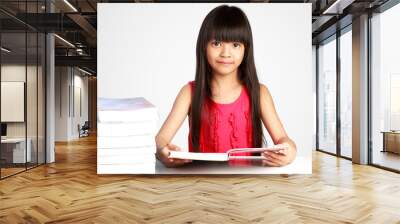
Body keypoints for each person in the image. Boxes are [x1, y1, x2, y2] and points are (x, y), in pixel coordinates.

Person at [155, 5, 296, 168]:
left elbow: (283, 140)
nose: (225, 53)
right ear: (204, 46)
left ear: (246, 49)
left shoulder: (259, 93)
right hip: (202, 185)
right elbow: (161, 140)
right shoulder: (189, 93)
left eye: (235, 45)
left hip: (248, 185)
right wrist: (163, 152)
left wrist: (289, 151)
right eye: (216, 43)